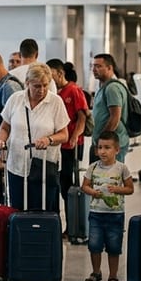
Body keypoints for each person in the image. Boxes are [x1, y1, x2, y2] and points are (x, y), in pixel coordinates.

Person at [0, 63, 70, 211]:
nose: (42, 90)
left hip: (44, 167)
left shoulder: (55, 102)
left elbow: (64, 135)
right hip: (17, 165)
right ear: (27, 83)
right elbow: (5, 127)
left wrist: (49, 139)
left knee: (43, 210)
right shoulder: (15, 99)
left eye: (45, 85)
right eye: (37, 86)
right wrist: (0, 140)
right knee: (17, 210)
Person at [81, 131, 134, 281]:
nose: (102, 151)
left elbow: (130, 189)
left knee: (114, 246)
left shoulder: (122, 168)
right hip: (96, 214)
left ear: (117, 150)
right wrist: (92, 192)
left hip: (115, 215)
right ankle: (96, 272)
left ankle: (113, 276)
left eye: (107, 148)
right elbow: (85, 186)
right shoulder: (92, 167)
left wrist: (117, 189)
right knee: (94, 244)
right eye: (100, 147)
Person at [47, 59, 88, 200]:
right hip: (59, 143)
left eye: (51, 75)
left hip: (71, 143)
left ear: (60, 73)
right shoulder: (55, 92)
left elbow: (82, 117)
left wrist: (75, 136)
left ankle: (72, 208)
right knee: (60, 178)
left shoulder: (74, 90)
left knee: (67, 179)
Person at [90, 53, 130, 161]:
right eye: (93, 66)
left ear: (109, 68)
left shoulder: (112, 88)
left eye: (98, 66)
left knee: (110, 172)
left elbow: (114, 118)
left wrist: (102, 143)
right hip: (104, 144)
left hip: (110, 145)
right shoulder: (103, 86)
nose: (94, 69)